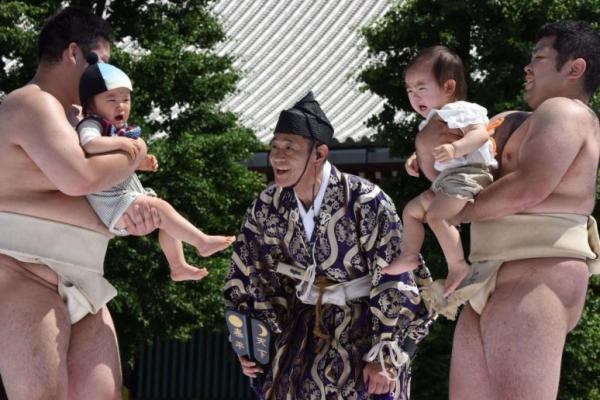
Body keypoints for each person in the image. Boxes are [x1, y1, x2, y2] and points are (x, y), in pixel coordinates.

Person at [415, 21, 599, 399]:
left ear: (574, 68)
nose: (527, 68)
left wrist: (455, 214)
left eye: (540, 58)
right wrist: (428, 144)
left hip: (537, 273)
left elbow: (530, 187)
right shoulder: (511, 121)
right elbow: (452, 176)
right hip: (487, 272)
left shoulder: (568, 112)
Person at [224, 92, 435, 400]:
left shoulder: (366, 200)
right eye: (274, 147)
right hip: (303, 333)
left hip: (366, 333)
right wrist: (253, 342)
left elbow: (397, 275)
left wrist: (387, 353)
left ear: (319, 153)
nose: (277, 157)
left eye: (289, 148)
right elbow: (250, 274)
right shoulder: (267, 205)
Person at [0, 7, 161, 399]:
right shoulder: (31, 103)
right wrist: (136, 151)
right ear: (74, 53)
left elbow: (109, 190)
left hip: (86, 274)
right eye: (101, 63)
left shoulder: (85, 120)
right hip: (26, 270)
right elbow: (78, 179)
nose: (105, 77)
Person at [77, 60, 234, 281]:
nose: (120, 106)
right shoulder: (91, 124)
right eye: (111, 99)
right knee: (163, 210)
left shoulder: (119, 130)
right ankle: (202, 243)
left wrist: (140, 164)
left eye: (125, 99)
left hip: (125, 195)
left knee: (168, 221)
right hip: (111, 202)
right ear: (91, 106)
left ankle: (178, 265)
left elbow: (115, 162)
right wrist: (122, 145)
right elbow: (89, 145)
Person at [382, 46, 498, 297]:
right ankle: (409, 254)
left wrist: (456, 148)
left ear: (448, 87)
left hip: (469, 173)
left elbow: (480, 134)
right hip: (447, 180)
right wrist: (417, 158)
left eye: (421, 88)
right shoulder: (432, 119)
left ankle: (457, 264)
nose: (414, 97)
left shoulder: (461, 110)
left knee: (437, 217)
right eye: (410, 91)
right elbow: (432, 148)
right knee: (412, 211)